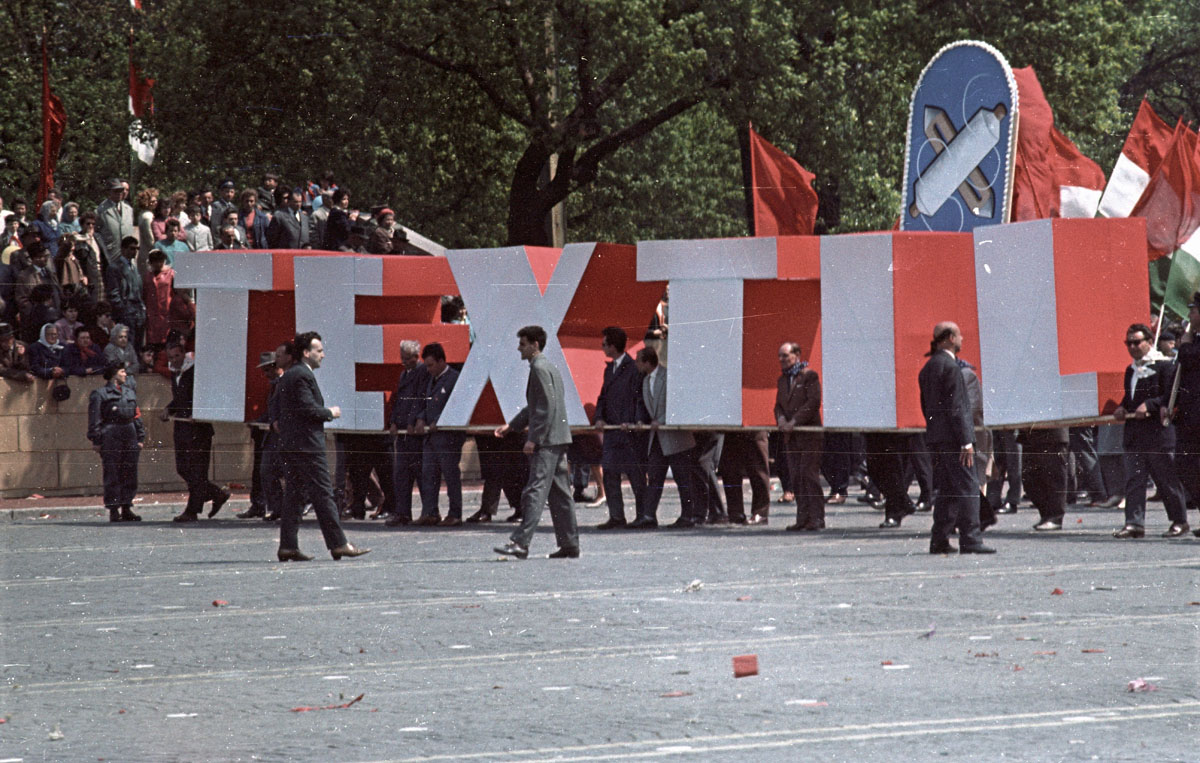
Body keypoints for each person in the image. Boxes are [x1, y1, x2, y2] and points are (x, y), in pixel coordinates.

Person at [274, 330, 369, 561]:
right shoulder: (302, 376)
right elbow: (307, 409)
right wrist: (330, 413)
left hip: (292, 445)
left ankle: (288, 546)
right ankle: (338, 543)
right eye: (319, 350)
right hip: (308, 446)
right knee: (323, 494)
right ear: (306, 353)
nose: (323, 355)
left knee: (294, 495)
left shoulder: (288, 375)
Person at [494, 325, 579, 559]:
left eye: (522, 344)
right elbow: (539, 406)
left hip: (547, 441)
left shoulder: (538, 369)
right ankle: (569, 543)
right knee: (561, 494)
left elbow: (544, 408)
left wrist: (534, 439)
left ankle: (521, 542)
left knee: (534, 490)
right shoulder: (549, 367)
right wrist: (512, 426)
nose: (519, 348)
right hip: (558, 438)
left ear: (535, 345)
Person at [918, 321, 994, 554]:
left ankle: (939, 539)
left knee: (948, 489)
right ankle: (971, 538)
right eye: (959, 335)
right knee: (968, 486)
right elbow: (958, 407)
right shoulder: (951, 368)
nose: (962, 339)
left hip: (937, 439)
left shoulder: (928, 368)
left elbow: (926, 406)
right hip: (955, 439)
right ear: (950, 337)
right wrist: (966, 441)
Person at [1112, 323, 1190, 538]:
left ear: (1149, 341)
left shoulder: (1165, 366)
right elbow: (1130, 398)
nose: (1133, 347)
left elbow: (1171, 395)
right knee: (1134, 480)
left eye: (1137, 342)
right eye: (1129, 343)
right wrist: (1122, 407)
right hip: (1135, 434)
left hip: (1158, 434)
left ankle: (1179, 521)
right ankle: (1134, 524)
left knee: (1166, 481)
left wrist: (1151, 405)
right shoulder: (1130, 370)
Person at [162, 342, 231, 522]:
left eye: (177, 356)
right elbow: (180, 399)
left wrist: (199, 412)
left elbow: (207, 395)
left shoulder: (195, 372)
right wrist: (168, 409)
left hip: (198, 429)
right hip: (182, 428)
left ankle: (192, 510)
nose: (174, 361)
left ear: (184, 354)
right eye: (170, 357)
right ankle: (217, 494)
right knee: (183, 468)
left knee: (197, 471)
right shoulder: (174, 373)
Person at [635, 345, 697, 528]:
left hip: (675, 437)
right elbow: (648, 408)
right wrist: (642, 421)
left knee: (682, 478)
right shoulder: (646, 381)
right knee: (654, 476)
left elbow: (677, 402)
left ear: (647, 362)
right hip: (657, 438)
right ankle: (648, 516)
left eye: (638, 360)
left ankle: (688, 516)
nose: (636, 364)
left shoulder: (668, 377)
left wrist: (661, 420)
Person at [592, 326, 646, 529]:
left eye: (605, 343)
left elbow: (638, 399)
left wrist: (632, 421)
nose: (602, 347)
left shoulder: (633, 369)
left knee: (636, 476)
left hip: (629, 432)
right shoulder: (610, 369)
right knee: (610, 474)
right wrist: (599, 418)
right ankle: (617, 516)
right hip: (613, 431)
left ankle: (644, 516)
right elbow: (603, 397)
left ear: (613, 346)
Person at [775, 342, 824, 531]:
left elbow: (813, 402)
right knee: (796, 477)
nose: (782, 360)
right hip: (791, 436)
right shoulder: (782, 380)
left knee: (809, 476)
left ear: (797, 355)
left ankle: (817, 518)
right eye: (780, 356)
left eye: (785, 356)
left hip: (808, 434)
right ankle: (802, 518)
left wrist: (793, 422)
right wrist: (780, 419)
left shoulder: (809, 376)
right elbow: (779, 404)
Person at [414, 342, 465, 526]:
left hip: (448, 437)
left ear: (442, 361)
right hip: (431, 437)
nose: (428, 369)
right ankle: (430, 512)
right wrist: (421, 418)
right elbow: (426, 403)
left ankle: (455, 513)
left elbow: (457, 406)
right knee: (428, 474)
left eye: (431, 365)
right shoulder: (431, 380)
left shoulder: (454, 379)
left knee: (450, 475)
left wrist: (440, 421)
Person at [88, 361, 144, 522]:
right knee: (112, 472)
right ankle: (113, 509)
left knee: (130, 471)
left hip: (129, 432)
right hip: (111, 434)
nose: (125, 374)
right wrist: (96, 439)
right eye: (122, 371)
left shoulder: (129, 393)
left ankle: (126, 506)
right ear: (114, 375)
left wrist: (140, 436)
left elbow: (136, 415)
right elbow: (95, 419)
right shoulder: (100, 394)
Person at [386, 340, 430, 526]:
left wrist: (413, 420)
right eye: (402, 358)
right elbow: (399, 400)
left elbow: (420, 399)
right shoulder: (404, 374)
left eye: (407, 359)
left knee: (419, 473)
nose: (403, 362)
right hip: (403, 431)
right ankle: (402, 512)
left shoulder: (421, 372)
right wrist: (394, 421)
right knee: (401, 474)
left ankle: (427, 512)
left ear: (415, 357)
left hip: (413, 432)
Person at [106, 237, 146, 353]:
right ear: (123, 249)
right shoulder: (114, 267)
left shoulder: (134, 266)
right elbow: (113, 293)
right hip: (126, 312)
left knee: (138, 345)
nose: (135, 251)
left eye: (136, 249)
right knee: (128, 345)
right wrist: (123, 310)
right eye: (131, 248)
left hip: (138, 311)